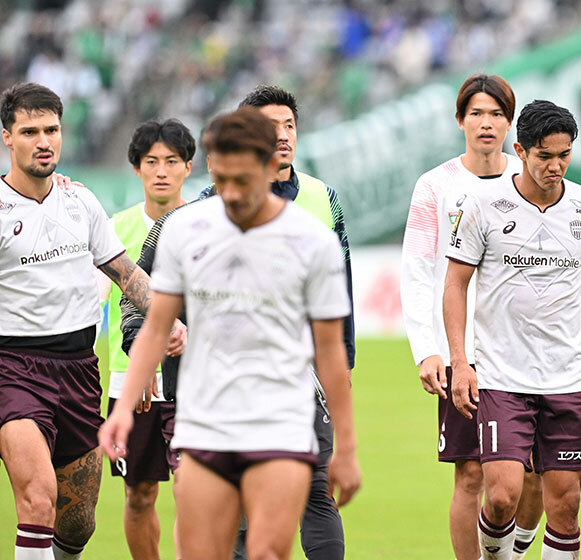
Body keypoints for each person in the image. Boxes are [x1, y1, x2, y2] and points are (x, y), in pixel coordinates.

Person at [99, 107, 361, 560]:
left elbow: (330, 349)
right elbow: (157, 322)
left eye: (244, 179)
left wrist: (348, 447)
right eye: (222, 180)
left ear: (266, 165)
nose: (232, 193)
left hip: (281, 422)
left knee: (265, 551)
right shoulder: (182, 230)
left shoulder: (310, 241)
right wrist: (122, 409)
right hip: (205, 424)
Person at [0, 82, 184, 560]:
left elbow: (127, 274)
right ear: (7, 138)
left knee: (77, 523)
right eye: (30, 131)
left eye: (52, 130)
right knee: (38, 497)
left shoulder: (80, 202)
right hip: (13, 368)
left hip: (80, 370)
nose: (44, 141)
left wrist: (168, 322)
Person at [444, 99, 581, 560]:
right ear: (520, 149)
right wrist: (460, 362)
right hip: (500, 375)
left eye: (564, 155)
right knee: (503, 495)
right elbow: (454, 285)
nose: (556, 165)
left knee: (565, 506)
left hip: (565, 377)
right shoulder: (483, 206)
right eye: (545, 155)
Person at [400, 74, 548, 560]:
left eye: (497, 114)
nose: (487, 123)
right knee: (469, 474)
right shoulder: (436, 186)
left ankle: (511, 552)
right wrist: (429, 350)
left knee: (532, 474)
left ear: (511, 123)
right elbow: (419, 270)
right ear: (460, 119)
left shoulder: (528, 179)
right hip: (462, 350)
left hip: (526, 346)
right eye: (477, 113)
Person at [101, 119, 194, 560]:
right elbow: (91, 303)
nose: (161, 171)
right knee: (139, 496)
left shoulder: (203, 225)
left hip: (192, 383)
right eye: (151, 161)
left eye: (171, 161)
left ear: (189, 167)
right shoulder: (112, 229)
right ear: (136, 168)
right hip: (129, 384)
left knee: (193, 492)